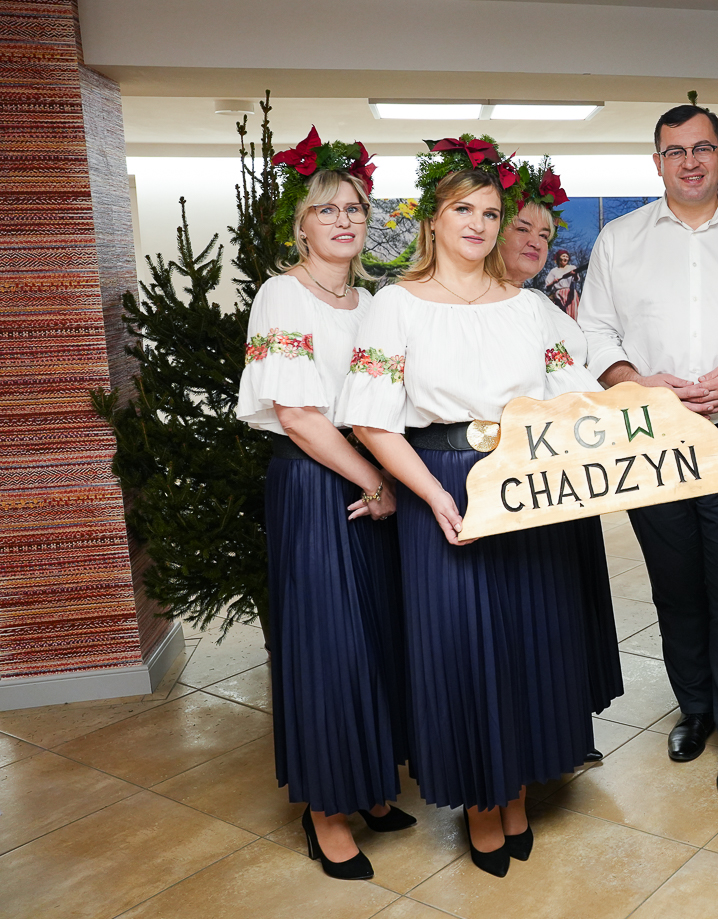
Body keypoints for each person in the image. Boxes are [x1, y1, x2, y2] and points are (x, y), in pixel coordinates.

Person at [338, 137, 601, 879]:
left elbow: (575, 399)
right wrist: (431, 496)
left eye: (490, 213)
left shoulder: (530, 307)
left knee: (527, 637)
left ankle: (517, 788)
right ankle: (482, 802)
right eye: (464, 210)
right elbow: (372, 422)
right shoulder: (395, 305)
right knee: (460, 646)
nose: (479, 224)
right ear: (434, 219)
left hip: (525, 478)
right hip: (442, 480)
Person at [579, 101, 718, 797]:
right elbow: (594, 332)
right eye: (675, 151)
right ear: (657, 163)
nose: (690, 161)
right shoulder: (619, 240)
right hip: (654, 441)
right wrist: (633, 380)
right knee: (675, 586)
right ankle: (696, 708)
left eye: (703, 148)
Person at [236, 128, 414, 882]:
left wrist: (384, 480)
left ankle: (368, 784)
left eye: (355, 209)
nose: (344, 220)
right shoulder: (283, 294)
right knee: (327, 647)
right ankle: (327, 813)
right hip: (316, 485)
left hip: (368, 479)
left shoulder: (369, 301)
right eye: (327, 209)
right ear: (301, 225)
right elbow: (300, 416)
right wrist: (376, 481)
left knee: (373, 634)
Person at [498, 162, 623, 756]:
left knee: (563, 608)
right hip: (517, 479)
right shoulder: (481, 309)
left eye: (545, 235)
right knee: (526, 609)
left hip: (566, 479)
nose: (535, 243)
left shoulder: (542, 307)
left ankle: (566, 727)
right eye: (522, 228)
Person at [542, 249, 582, 318]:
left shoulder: (572, 268)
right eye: (563, 256)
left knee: (572, 314)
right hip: (559, 295)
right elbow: (547, 287)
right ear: (558, 258)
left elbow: (576, 279)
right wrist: (553, 282)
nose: (565, 258)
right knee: (561, 315)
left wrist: (574, 274)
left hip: (571, 294)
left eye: (567, 257)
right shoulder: (554, 271)